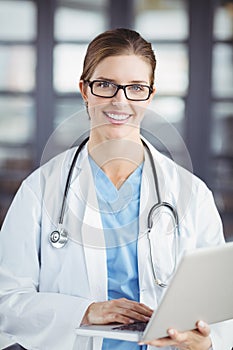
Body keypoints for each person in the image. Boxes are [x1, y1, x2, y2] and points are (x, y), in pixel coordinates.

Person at [0, 28, 232, 350]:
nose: (120, 100)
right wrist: (85, 312)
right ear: (85, 90)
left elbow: (220, 310)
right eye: (106, 85)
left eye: (135, 87)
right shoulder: (40, 191)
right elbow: (6, 302)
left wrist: (205, 344)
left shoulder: (190, 193)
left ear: (150, 95)